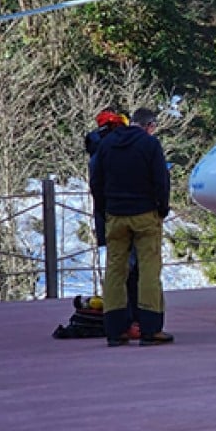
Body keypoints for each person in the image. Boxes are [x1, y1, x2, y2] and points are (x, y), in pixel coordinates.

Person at [90, 107, 173, 346]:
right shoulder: (150, 144)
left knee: (115, 269)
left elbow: (96, 181)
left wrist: (105, 209)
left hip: (115, 214)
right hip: (145, 213)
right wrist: (162, 208)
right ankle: (150, 327)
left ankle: (115, 330)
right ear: (150, 125)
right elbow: (161, 180)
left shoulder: (107, 144)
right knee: (149, 269)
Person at [84, 108, 141, 336]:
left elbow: (97, 190)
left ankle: (118, 322)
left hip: (109, 217)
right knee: (132, 270)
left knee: (118, 269)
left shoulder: (97, 152)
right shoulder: (115, 151)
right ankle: (132, 319)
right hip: (127, 214)